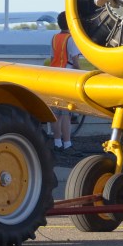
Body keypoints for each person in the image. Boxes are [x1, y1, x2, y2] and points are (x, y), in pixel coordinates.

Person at [48, 11, 82, 156]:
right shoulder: (71, 39)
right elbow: (75, 62)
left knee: (56, 113)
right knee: (66, 113)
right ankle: (67, 144)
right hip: (66, 78)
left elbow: (52, 59)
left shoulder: (54, 38)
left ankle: (57, 143)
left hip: (54, 77)